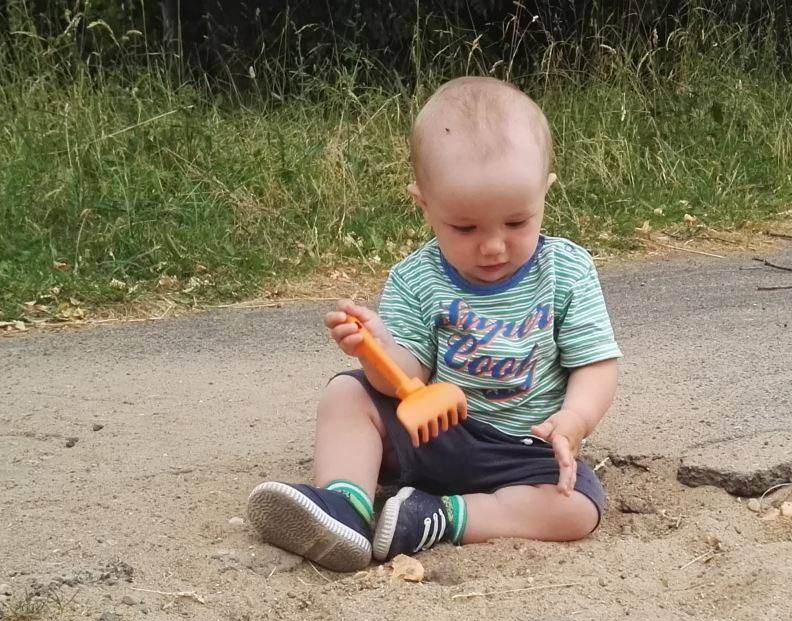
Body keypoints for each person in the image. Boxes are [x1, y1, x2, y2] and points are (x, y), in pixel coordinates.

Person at [246, 76, 622, 571]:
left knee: (578, 508)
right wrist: (378, 350)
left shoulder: (566, 271)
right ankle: (345, 506)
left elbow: (595, 365)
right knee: (348, 394)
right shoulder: (416, 279)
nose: (493, 246)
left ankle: (434, 517)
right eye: (464, 227)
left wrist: (574, 421)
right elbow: (408, 381)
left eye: (517, 222)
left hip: (525, 450)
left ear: (544, 194)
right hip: (437, 434)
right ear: (424, 205)